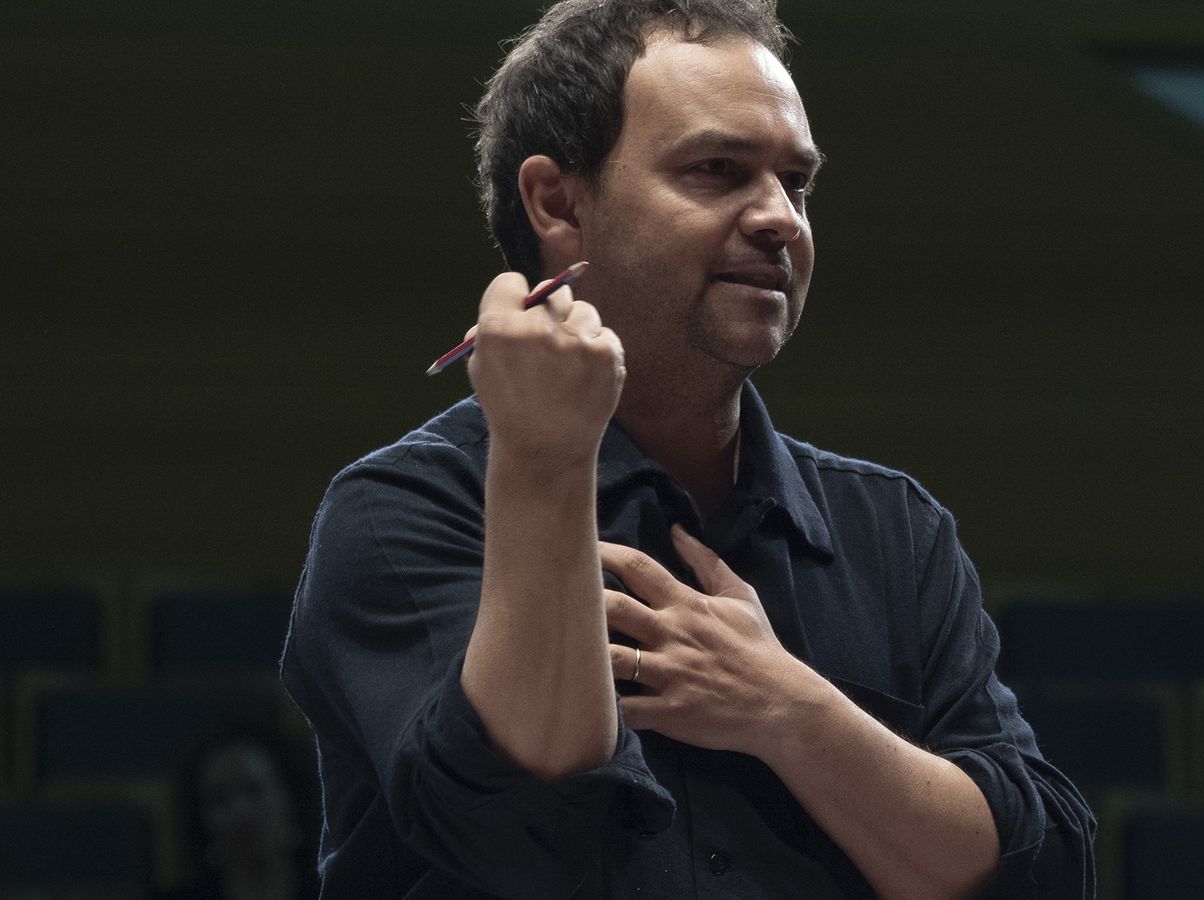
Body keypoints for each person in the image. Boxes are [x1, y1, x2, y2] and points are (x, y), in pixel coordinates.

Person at [280, 1, 1095, 897]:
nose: (781, 218)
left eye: (797, 182)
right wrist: (546, 459)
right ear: (557, 202)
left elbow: (1042, 872)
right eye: (718, 170)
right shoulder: (400, 511)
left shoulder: (895, 529)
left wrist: (789, 711)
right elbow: (521, 836)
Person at [156, 728, 320, 900]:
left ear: (288, 797)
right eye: (219, 799)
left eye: (253, 790)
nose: (240, 811)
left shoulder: (334, 890)